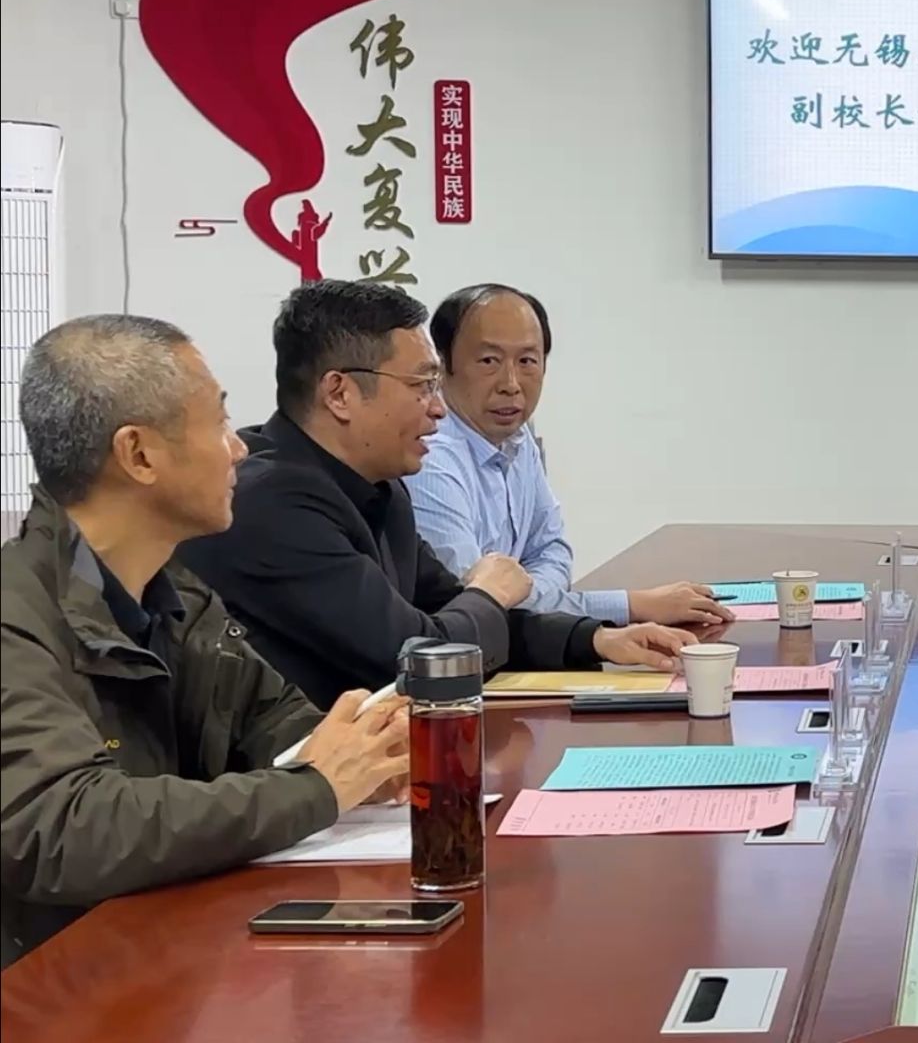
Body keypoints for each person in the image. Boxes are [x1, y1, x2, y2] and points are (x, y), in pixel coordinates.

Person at [2, 316, 409, 966]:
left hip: (176, 953)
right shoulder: (15, 617)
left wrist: (370, 747)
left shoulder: (178, 595)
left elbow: (274, 722)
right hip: (59, 982)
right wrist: (318, 787)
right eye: (218, 422)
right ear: (138, 455)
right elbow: (66, 827)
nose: (239, 449)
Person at [179, 281, 696, 709]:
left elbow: (448, 609)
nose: (438, 409)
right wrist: (488, 593)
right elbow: (416, 658)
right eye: (422, 386)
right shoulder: (274, 502)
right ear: (339, 394)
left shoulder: (380, 484)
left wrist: (595, 638)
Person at [407, 284, 732, 628]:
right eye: (489, 361)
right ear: (442, 366)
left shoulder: (517, 436)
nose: (511, 384)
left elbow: (552, 551)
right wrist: (632, 605)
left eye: (527, 361)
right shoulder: (429, 458)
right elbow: (477, 599)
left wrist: (527, 596)